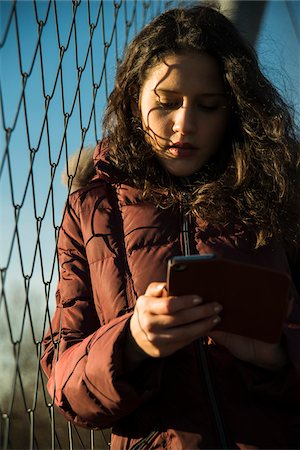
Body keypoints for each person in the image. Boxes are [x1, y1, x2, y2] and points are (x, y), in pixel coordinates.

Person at [41, 4, 300, 449]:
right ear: (133, 99)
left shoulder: (281, 192)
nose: (185, 125)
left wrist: (275, 355)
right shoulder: (91, 209)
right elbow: (64, 382)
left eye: (209, 106)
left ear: (236, 108)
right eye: (166, 102)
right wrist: (132, 342)